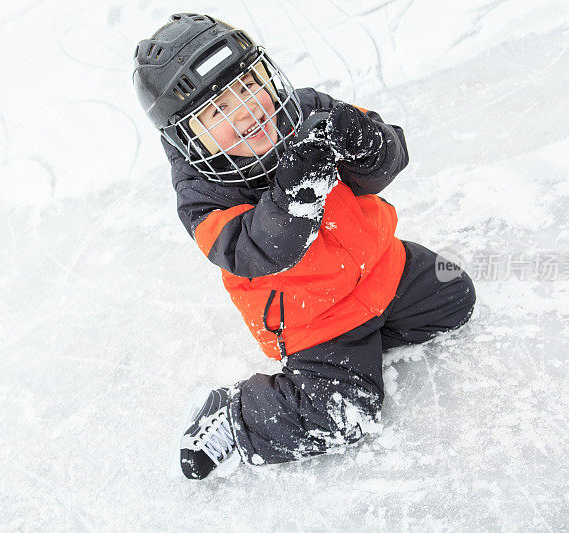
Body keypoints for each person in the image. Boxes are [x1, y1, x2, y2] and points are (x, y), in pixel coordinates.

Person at [133, 13, 476, 480]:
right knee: (345, 415)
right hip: (315, 318)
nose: (247, 110)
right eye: (219, 110)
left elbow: (386, 163)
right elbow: (258, 250)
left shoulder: (303, 110)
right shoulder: (203, 195)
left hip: (382, 269)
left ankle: (370, 338)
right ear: (187, 133)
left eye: (249, 85)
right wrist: (297, 193)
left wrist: (364, 140)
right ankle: (237, 419)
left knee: (455, 298)